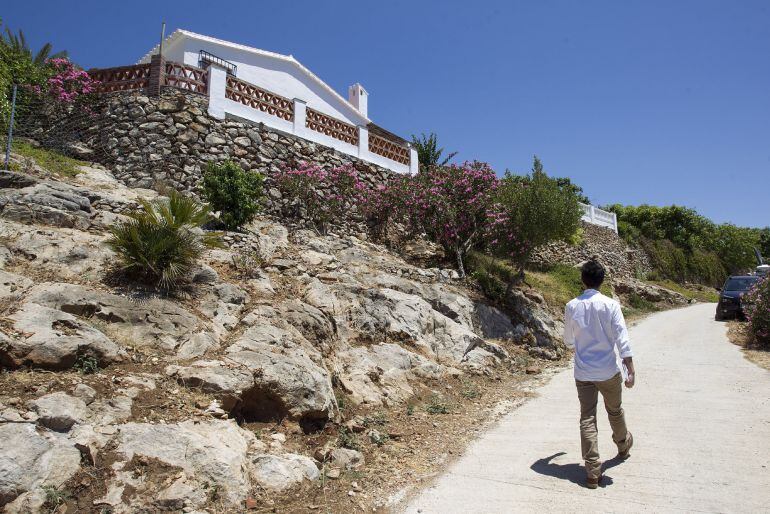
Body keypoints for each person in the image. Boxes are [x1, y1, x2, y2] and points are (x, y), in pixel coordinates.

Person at [563, 259, 635, 489]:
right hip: (608, 370)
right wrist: (630, 367)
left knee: (588, 417)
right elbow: (621, 336)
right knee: (614, 410)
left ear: (582, 280)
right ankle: (623, 445)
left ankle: (592, 470)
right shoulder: (611, 305)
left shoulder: (571, 306)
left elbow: (567, 341)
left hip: (583, 372)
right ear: (602, 281)